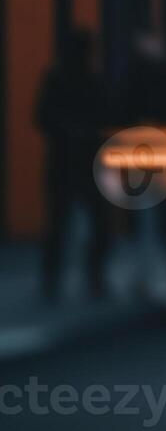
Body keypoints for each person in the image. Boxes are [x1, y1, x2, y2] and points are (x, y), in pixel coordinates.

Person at [36, 30, 112, 302]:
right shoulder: (87, 81)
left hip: (68, 160)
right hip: (81, 161)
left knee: (62, 222)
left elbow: (42, 117)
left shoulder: (59, 80)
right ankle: (89, 276)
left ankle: (58, 278)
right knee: (85, 221)